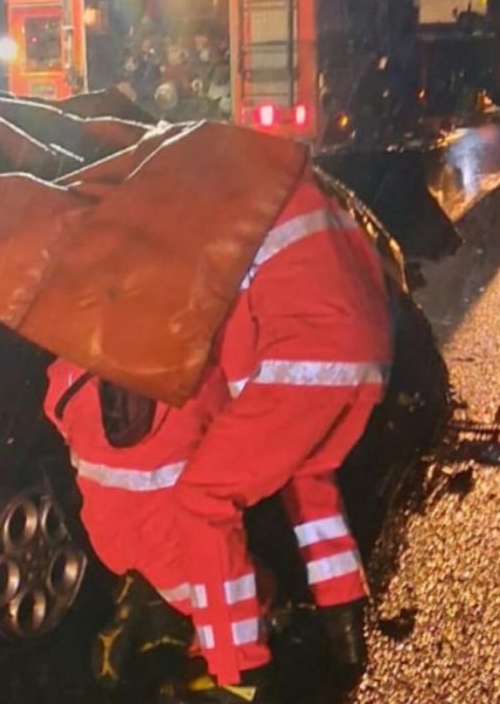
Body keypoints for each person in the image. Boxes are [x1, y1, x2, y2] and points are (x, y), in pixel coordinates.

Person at [166, 174, 394, 703]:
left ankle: (236, 673)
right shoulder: (300, 191)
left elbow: (241, 338)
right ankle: (343, 621)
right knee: (306, 473)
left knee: (202, 500)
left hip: (304, 361)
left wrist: (236, 414)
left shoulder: (226, 216)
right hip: (366, 353)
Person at [43, 358, 233, 688]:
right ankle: (204, 667)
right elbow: (232, 433)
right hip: (178, 556)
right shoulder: (196, 380)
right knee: (238, 593)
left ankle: (144, 592)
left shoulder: (68, 373)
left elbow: (58, 421)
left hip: (109, 539)